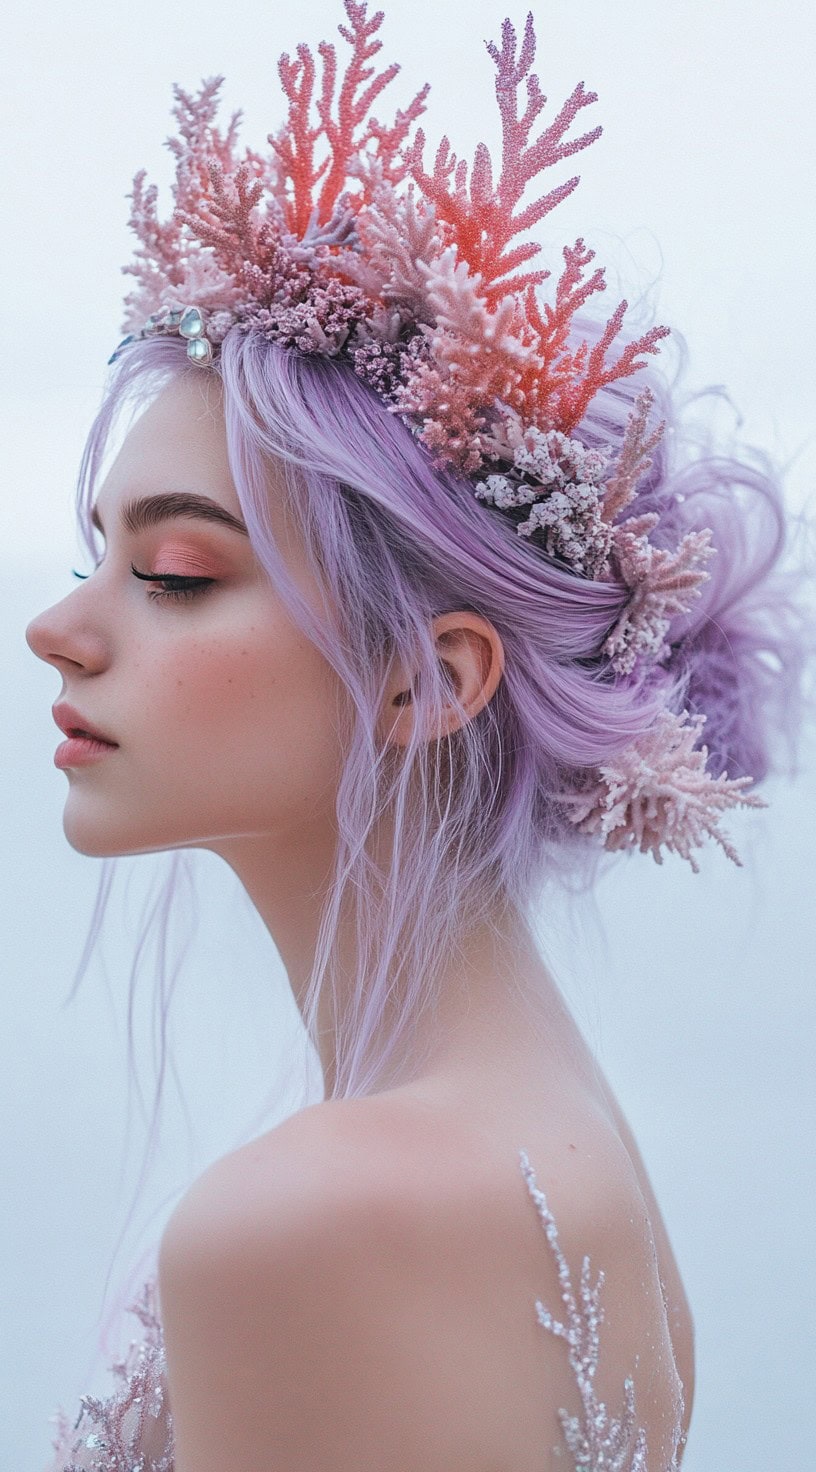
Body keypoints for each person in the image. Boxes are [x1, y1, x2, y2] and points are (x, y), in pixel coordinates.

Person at [25, 4, 812, 1469]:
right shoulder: (563, 1142)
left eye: (177, 574)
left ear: (427, 681)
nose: (57, 630)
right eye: (95, 553)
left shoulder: (331, 1214)